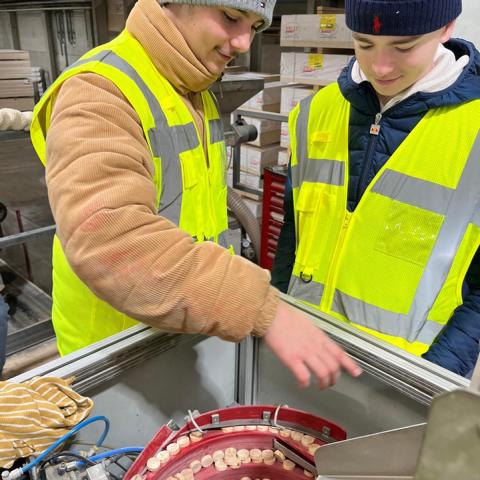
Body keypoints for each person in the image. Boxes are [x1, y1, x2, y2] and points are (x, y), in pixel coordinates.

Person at [29, 0, 361, 389]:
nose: (244, 43)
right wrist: (258, 305)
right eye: (231, 17)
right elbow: (111, 240)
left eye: (255, 27)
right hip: (115, 362)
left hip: (178, 342)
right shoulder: (100, 91)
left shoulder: (195, 89)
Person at [272, 0, 480, 377]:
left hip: (406, 374)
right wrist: (278, 320)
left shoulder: (474, 130)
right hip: (305, 358)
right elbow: (293, 235)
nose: (380, 66)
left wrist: (434, 374)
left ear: (447, 27)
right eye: (364, 43)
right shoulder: (314, 112)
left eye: (403, 47)